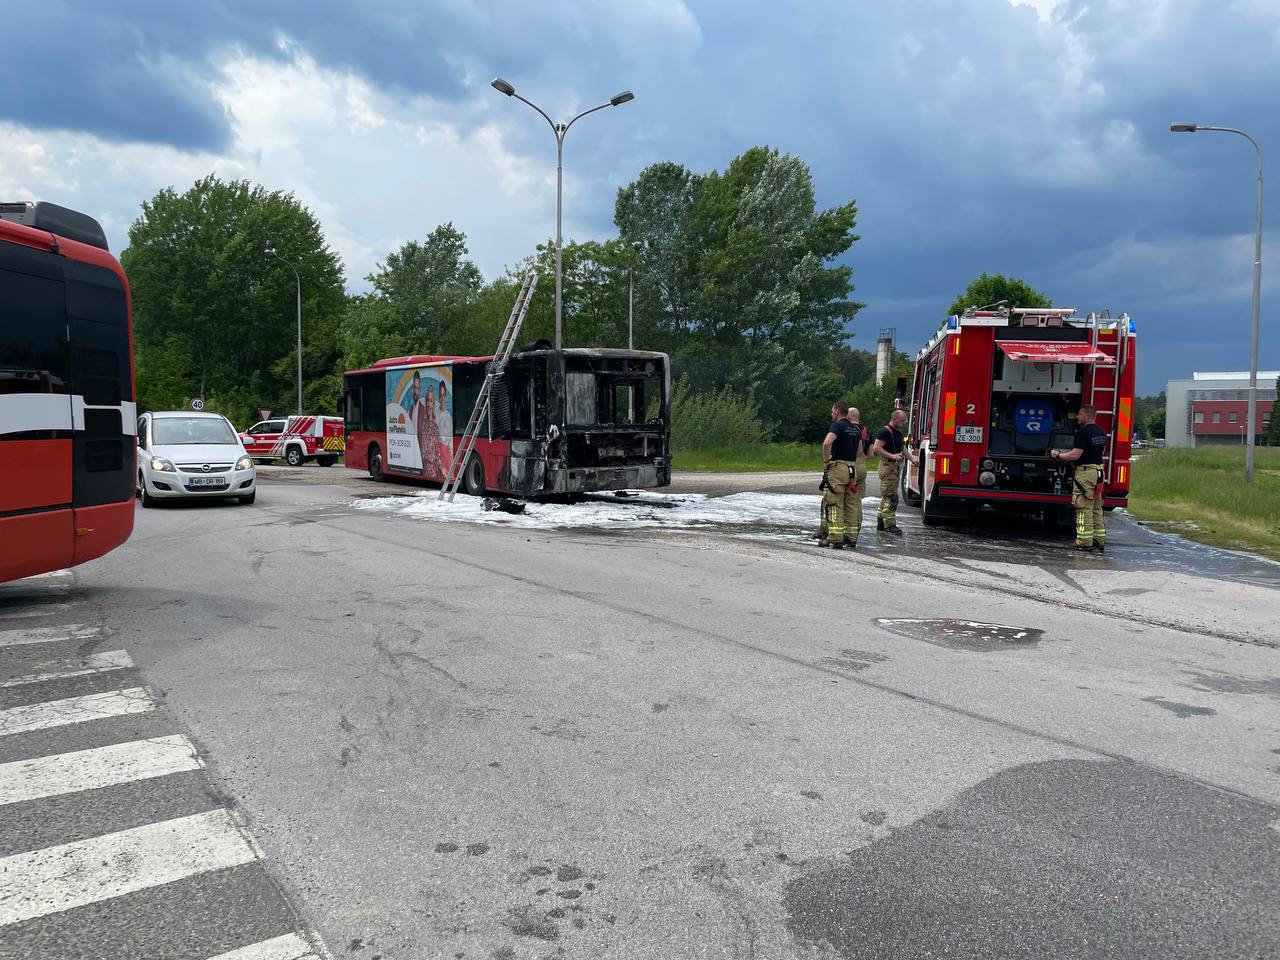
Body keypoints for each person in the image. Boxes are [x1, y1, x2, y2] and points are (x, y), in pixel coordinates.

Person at [1051, 404, 1109, 552]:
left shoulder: (1083, 433)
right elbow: (1099, 452)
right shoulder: (1101, 432)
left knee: (1083, 506)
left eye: (1079, 414)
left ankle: (1084, 542)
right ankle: (1099, 540)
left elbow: (1075, 455)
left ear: (1087, 416)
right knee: (1096, 507)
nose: (1077, 417)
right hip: (1099, 472)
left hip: (1086, 473)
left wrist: (1058, 455)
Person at [818, 406, 871, 543]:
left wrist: (827, 460)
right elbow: (860, 451)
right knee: (852, 504)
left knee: (834, 502)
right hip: (853, 469)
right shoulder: (856, 429)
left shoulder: (837, 426)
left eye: (832, 411)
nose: (831, 413)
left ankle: (835, 539)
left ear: (837, 411)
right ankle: (851, 538)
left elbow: (827, 442)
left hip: (839, 468)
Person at [872, 409, 916, 534]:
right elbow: (876, 447)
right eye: (902, 421)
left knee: (886, 495)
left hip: (895, 467)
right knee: (891, 497)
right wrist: (892, 456)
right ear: (895, 419)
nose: (903, 423)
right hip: (887, 466)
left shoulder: (898, 433)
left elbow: (903, 448)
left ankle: (881, 522)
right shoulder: (885, 432)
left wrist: (912, 459)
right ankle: (890, 525)